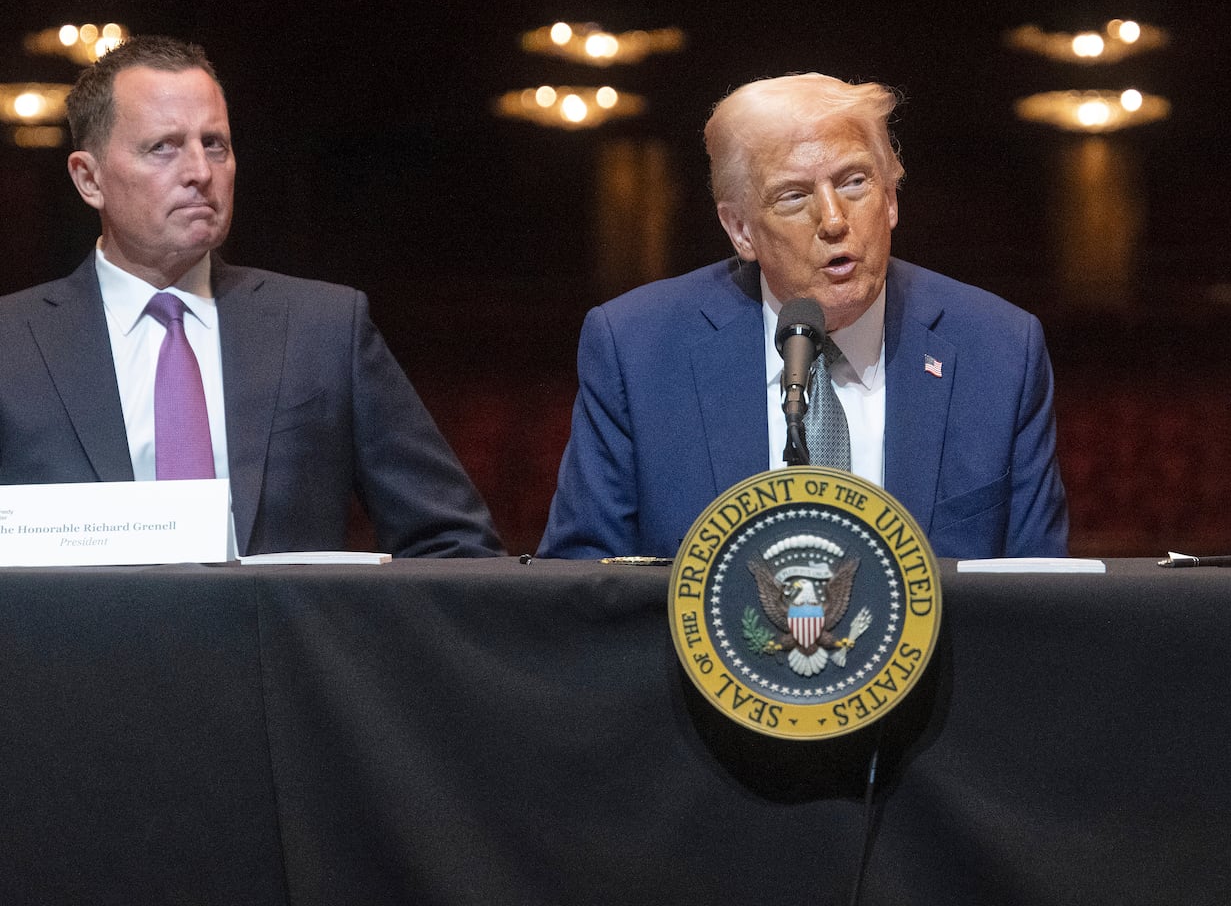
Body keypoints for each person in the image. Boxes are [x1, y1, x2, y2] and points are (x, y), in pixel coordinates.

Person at [0, 35, 503, 558]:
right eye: (163, 147)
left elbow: (454, 542)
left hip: (281, 641)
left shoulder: (323, 329)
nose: (200, 171)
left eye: (214, 143)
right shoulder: (11, 346)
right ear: (89, 179)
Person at [538, 72, 1069, 561]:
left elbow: (1037, 599)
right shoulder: (639, 349)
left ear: (890, 200)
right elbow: (583, 582)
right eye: (794, 196)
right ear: (741, 230)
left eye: (855, 182)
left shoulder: (998, 350)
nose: (834, 220)